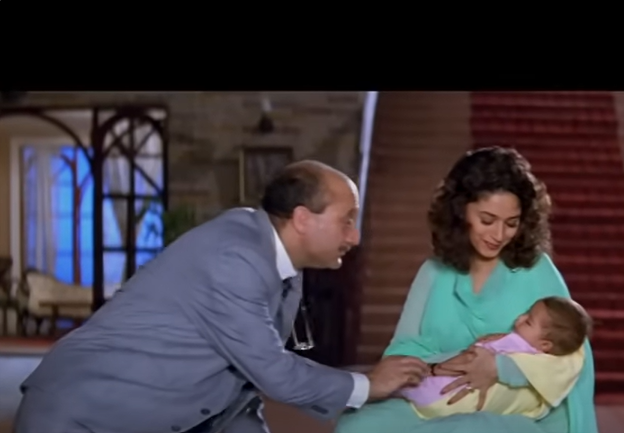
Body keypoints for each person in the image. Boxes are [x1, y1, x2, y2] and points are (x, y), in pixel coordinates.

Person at [14, 160, 430, 433]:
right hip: (85, 415)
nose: (354, 237)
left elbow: (241, 384)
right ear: (303, 219)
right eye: (347, 220)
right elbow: (272, 370)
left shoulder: (282, 260)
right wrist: (368, 384)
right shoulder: (235, 258)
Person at [334, 146, 598, 433]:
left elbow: (572, 357)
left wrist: (499, 368)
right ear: (460, 212)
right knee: (356, 427)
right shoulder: (434, 271)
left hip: (519, 412)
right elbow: (405, 348)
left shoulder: (537, 270)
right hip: (438, 394)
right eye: (487, 220)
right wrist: (448, 365)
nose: (499, 235)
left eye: (511, 224)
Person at [401, 296, 592, 419]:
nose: (519, 319)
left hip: (442, 399)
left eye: (528, 321)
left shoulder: (521, 350)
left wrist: (435, 369)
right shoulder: (537, 354)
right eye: (525, 314)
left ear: (545, 345)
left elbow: (474, 357)